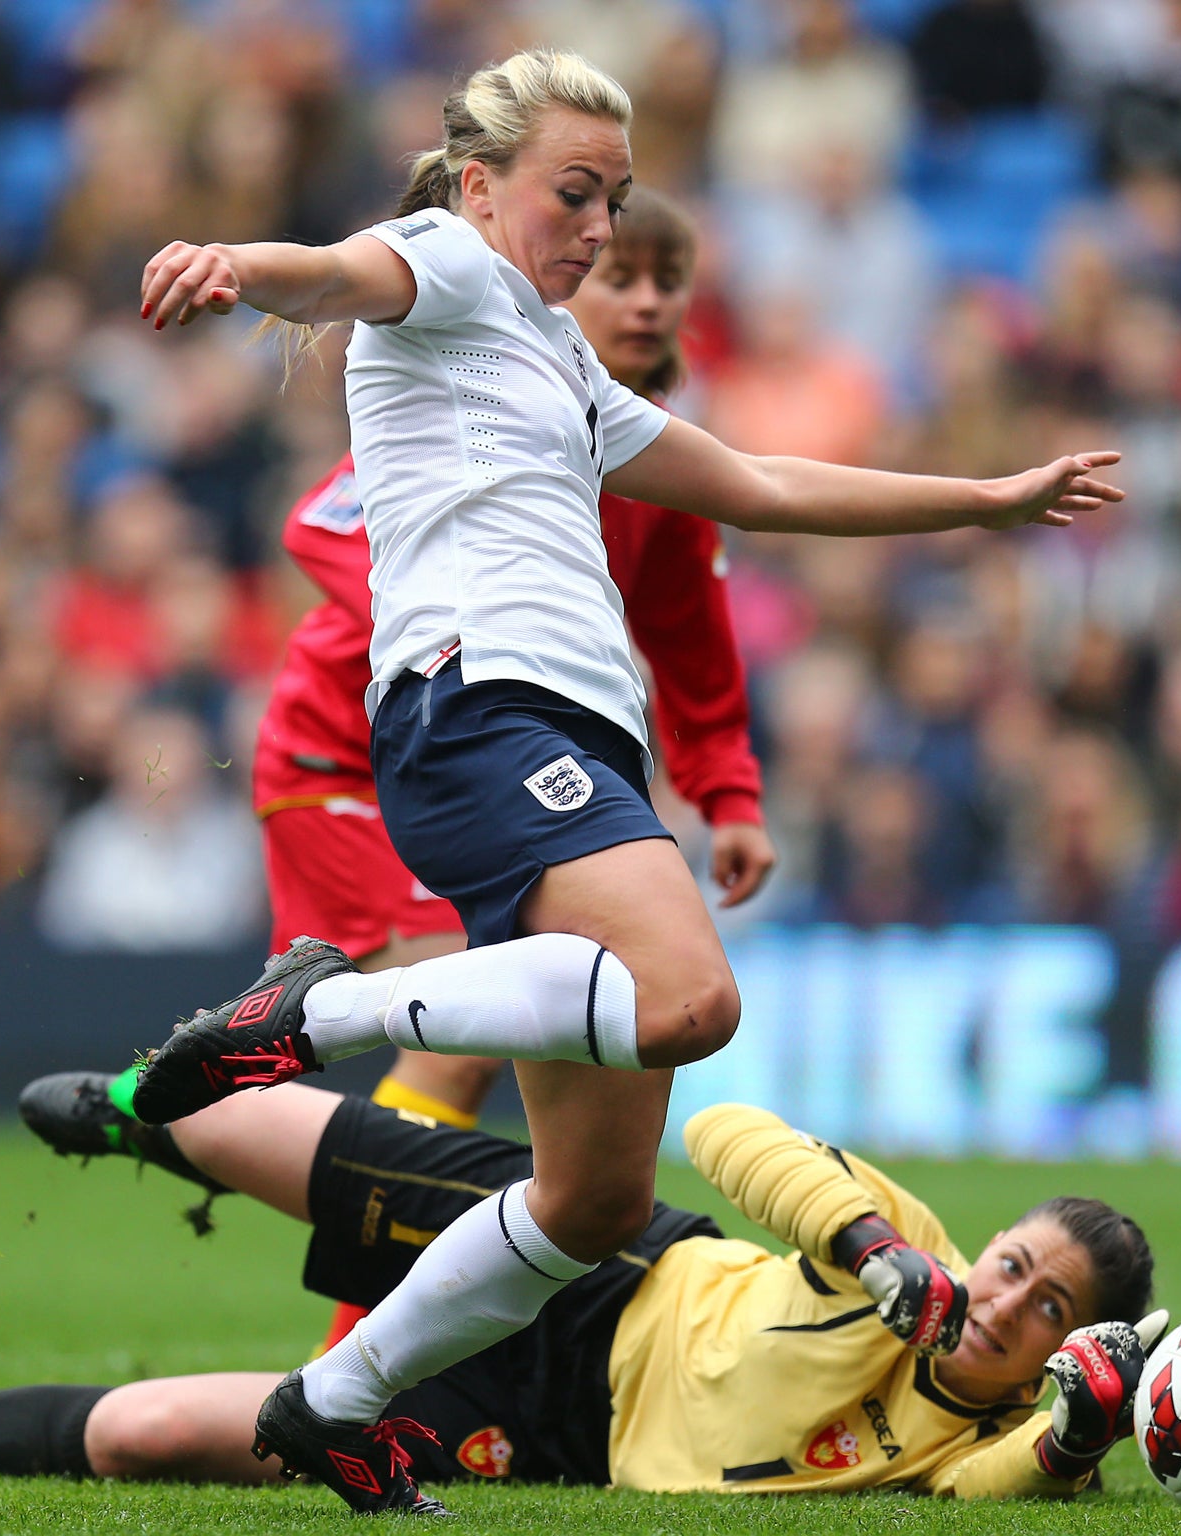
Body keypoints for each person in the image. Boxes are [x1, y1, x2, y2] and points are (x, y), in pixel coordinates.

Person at [123, 48, 1122, 1514]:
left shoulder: (563, 362)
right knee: (694, 1001)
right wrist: (233, 262)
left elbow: (764, 484)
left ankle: (334, 1403)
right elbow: (337, 273)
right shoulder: (449, 266)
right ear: (478, 186)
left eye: (617, 199)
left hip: (566, 746)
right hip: (480, 711)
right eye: (572, 194)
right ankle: (310, 1013)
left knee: (587, 1205)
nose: (598, 229)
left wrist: (986, 499)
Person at [0, 1081, 1165, 1504]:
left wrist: (1084, 1436)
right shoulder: (899, 1247)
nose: (1004, 1299)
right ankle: (150, 1123)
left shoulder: (992, 1448)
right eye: (1013, 1261)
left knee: (155, 1439)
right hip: (603, 1263)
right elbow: (727, 1133)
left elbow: (1001, 1487)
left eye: (1046, 1306)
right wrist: (864, 1243)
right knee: (219, 1119)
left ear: (1066, 1346)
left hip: (545, 1433)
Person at [248, 183, 773, 1351]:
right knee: (471, 1033)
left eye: (661, 279)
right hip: (359, 751)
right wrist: (452, 632)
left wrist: (727, 795)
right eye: (614, 273)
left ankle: (350, 1338)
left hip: (494, 757)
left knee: (530, 1055)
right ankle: (351, 1353)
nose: (636, 298)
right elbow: (318, 527)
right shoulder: (484, 384)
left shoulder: (637, 450)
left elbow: (690, 639)